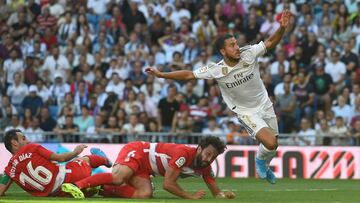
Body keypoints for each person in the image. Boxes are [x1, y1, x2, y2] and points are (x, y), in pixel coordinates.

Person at [146, 10, 291, 184]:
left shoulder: (249, 53)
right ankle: (260, 161)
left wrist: (281, 28)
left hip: (265, 104)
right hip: (246, 112)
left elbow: (270, 42)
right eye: (232, 45)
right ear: (223, 51)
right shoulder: (217, 69)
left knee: (274, 144)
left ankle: (263, 163)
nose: (237, 47)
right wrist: (162, 75)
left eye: (236, 43)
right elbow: (188, 75)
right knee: (270, 143)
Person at [61, 136, 235, 199]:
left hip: (146, 168)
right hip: (139, 151)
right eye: (208, 153)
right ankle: (77, 186)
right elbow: (168, 184)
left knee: (145, 194)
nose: (209, 158)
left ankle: (103, 189)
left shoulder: (205, 166)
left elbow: (214, 190)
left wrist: (223, 195)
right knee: (118, 178)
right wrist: (189, 197)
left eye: (213, 156)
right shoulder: (183, 155)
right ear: (199, 148)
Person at [0, 129, 112, 198]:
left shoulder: (9, 170)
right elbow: (60, 158)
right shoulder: (31, 147)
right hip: (67, 177)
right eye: (24, 138)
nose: (28, 141)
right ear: (14, 143)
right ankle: (105, 160)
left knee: (94, 188)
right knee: (84, 160)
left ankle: (91, 188)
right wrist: (75, 151)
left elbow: (0, 191)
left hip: (59, 193)